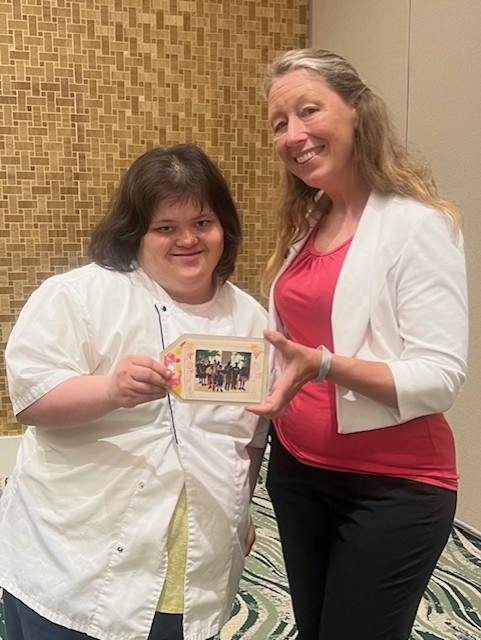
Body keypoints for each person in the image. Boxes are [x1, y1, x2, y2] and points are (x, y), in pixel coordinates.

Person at [0, 143, 268, 640]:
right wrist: (110, 390)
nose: (187, 240)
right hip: (77, 557)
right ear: (136, 233)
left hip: (198, 555)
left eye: (203, 223)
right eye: (166, 227)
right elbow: (31, 400)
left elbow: (249, 438)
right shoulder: (79, 295)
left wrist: (241, 509)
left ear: (224, 229)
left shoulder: (250, 318)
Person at [249, 48, 468, 640]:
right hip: (297, 474)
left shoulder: (417, 224)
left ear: (356, 111)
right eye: (279, 123)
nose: (293, 134)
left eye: (308, 111)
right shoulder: (307, 224)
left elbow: (441, 377)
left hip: (392, 487)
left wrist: (324, 365)